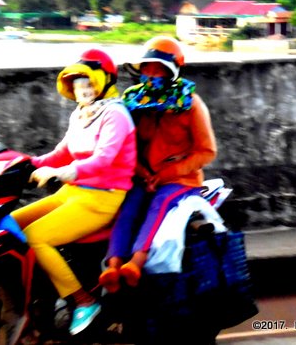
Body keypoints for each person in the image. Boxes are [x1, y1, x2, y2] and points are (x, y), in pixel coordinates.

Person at [11, 49, 136, 336]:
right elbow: (61, 152)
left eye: (89, 81)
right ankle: (35, 298)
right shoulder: (82, 114)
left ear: (104, 81)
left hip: (103, 197)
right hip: (74, 192)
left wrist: (61, 173)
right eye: (78, 82)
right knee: (11, 225)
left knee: (36, 236)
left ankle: (83, 300)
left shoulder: (115, 114)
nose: (84, 88)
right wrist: (23, 161)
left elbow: (103, 159)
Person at [98, 36, 217, 292]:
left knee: (160, 203)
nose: (151, 74)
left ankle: (137, 262)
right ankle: (113, 265)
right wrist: (141, 171)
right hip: (142, 176)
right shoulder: (134, 102)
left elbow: (207, 151)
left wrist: (167, 174)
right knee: (127, 206)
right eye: (147, 68)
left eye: (159, 69)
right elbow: (127, 145)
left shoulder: (191, 104)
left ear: (172, 72)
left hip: (180, 180)